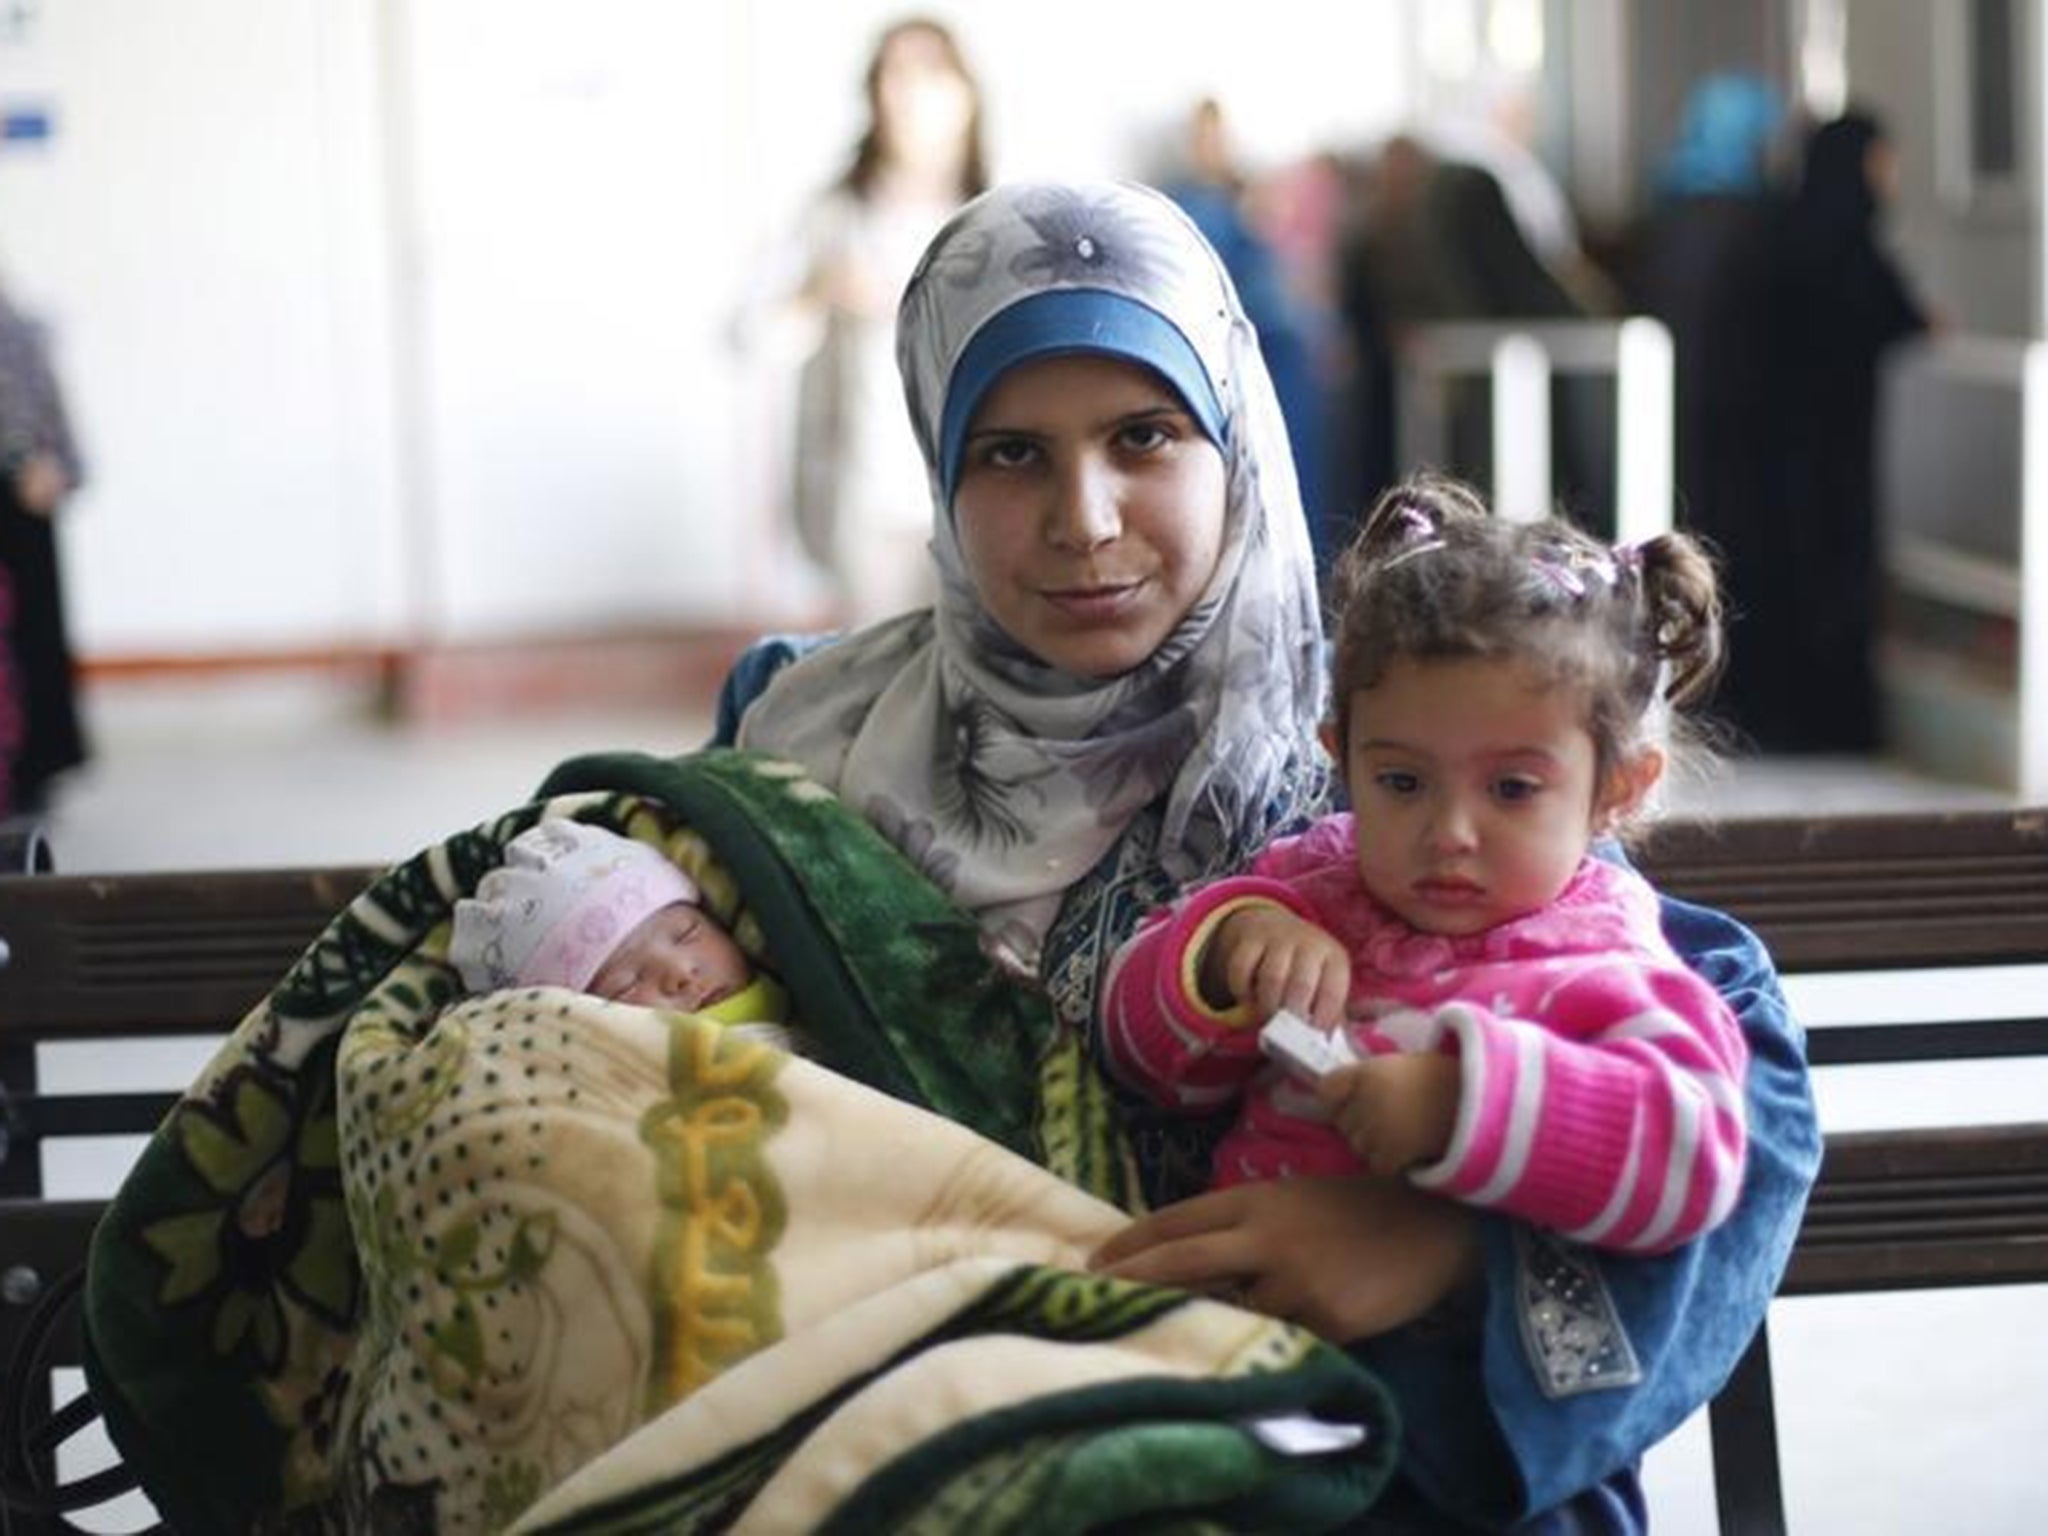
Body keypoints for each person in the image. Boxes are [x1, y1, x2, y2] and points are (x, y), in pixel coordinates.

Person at [715, 177, 1818, 1531]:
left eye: (1143, 434)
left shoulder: (1424, 731)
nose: (1086, 519)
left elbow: (1732, 1117)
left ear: (1236, 435)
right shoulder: (810, 740)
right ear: (935, 461)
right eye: (1008, 452)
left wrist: (1445, 1245)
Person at [1099, 476, 1748, 1260]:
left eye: (1512, 789)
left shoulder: (1607, 961)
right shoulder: (1310, 888)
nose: (1448, 834)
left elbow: (1697, 1159)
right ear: (1339, 755)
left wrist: (1461, 1103)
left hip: (1449, 1372)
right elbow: (1135, 1055)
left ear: (1617, 788)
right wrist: (1230, 945)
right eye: (1402, 782)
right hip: (1235, 1321)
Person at [738, 14, 987, 626]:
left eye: (929, 74)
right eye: (893, 76)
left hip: (973, 490)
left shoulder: (995, 218)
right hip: (866, 503)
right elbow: (748, 335)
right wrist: (817, 292)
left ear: (966, 95)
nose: (909, 94)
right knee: (885, 679)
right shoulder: (832, 216)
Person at [1732, 107, 1934, 753]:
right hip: (1833, 452)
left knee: (1784, 574)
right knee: (1832, 578)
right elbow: (1907, 320)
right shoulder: (1848, 247)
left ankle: (1780, 717)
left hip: (1771, 454)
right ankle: (1830, 724)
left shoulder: (1775, 238)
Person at [447, 817, 787, 1029]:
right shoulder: (625, 1063)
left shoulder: (800, 978)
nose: (680, 973)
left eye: (687, 933)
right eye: (625, 986)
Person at [0, 278, 89, 817]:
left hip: (24, 506)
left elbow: (55, 423)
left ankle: (35, 768)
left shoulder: (23, 330)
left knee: (32, 638)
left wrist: (57, 468)